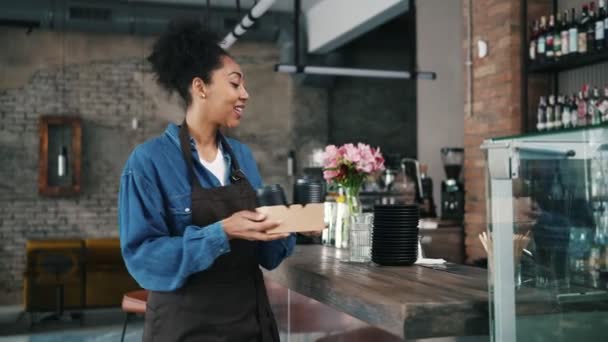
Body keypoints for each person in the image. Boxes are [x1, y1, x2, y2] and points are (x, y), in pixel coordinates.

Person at [118, 18, 295, 342]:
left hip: (250, 325)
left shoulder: (241, 157)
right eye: (234, 83)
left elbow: (268, 259)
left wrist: (289, 224)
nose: (245, 94)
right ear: (200, 87)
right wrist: (221, 233)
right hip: (186, 329)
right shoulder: (149, 162)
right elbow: (144, 260)